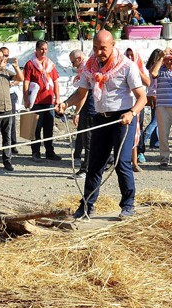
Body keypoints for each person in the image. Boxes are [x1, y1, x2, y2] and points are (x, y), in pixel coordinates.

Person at [57, 30, 147, 220]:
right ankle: (87, 206)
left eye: (103, 48)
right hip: (100, 118)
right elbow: (81, 94)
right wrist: (66, 103)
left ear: (113, 45)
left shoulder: (127, 66)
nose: (98, 53)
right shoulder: (89, 66)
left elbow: (142, 97)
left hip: (123, 119)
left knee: (121, 162)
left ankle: (128, 205)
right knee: (94, 164)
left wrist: (131, 113)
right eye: (95, 48)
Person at [23, 40, 61, 161]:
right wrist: (26, 98)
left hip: (49, 101)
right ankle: (36, 152)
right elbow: (26, 82)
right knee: (36, 128)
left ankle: (50, 152)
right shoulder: (30, 64)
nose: (44, 51)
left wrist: (58, 98)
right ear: (37, 50)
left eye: (45, 49)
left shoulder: (50, 64)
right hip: (36, 102)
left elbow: (55, 81)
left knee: (49, 128)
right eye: (41, 49)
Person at [69, 49, 96, 176]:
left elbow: (82, 94)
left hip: (89, 105)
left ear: (79, 59)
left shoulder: (85, 67)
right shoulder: (88, 65)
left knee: (88, 140)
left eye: (73, 62)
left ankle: (86, 169)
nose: (73, 65)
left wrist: (77, 112)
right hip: (91, 104)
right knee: (89, 139)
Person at [0, 46, 22, 154]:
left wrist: (12, 83)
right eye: (3, 55)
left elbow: (19, 78)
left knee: (11, 121)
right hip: (0, 96)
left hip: (11, 94)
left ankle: (13, 144)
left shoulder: (11, 67)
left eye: (7, 55)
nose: (5, 57)